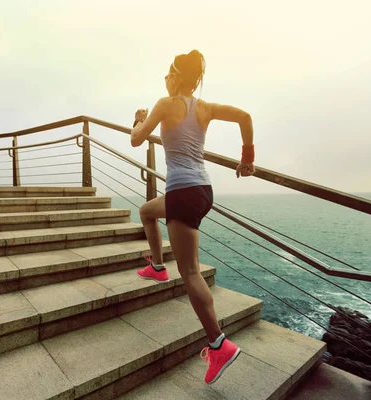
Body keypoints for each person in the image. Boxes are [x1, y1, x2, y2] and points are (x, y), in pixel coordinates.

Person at [129, 49, 255, 385]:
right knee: (146, 211)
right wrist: (248, 158)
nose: (164, 81)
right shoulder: (205, 107)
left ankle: (218, 344)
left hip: (183, 194)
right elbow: (245, 116)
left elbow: (136, 139)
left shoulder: (165, 103)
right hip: (200, 191)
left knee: (190, 271)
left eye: (166, 75)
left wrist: (138, 119)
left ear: (175, 76)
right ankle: (156, 267)